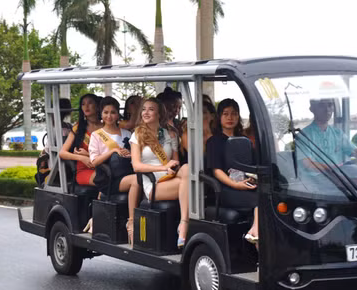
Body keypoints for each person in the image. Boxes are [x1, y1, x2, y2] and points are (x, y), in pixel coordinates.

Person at [127, 97, 190, 248]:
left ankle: (183, 223)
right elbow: (136, 166)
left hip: (170, 177)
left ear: (159, 114)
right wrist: (163, 167)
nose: (146, 112)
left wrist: (171, 167)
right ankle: (184, 225)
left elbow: (175, 162)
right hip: (153, 184)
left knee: (187, 169)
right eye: (144, 109)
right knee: (190, 185)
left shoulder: (169, 134)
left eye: (151, 109)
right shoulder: (137, 134)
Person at [204, 99, 261, 245]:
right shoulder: (214, 142)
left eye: (234, 114)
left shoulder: (245, 140)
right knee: (260, 199)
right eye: (226, 114)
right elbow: (216, 171)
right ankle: (255, 231)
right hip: (226, 189)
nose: (230, 118)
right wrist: (235, 185)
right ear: (219, 117)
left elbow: (252, 166)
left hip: (245, 184)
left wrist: (252, 179)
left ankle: (256, 232)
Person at [83, 97, 139, 233]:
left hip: (126, 172)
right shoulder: (96, 135)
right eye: (106, 112)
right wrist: (112, 151)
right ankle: (131, 222)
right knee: (136, 181)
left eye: (113, 112)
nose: (109, 116)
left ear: (118, 114)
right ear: (101, 114)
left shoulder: (127, 133)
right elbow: (94, 161)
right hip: (109, 178)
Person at [296, 99, 357, 170]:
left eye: (330, 105)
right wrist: (335, 170)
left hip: (340, 175)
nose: (327, 110)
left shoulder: (338, 133)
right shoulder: (303, 136)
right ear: (312, 109)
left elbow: (355, 151)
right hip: (318, 177)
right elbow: (308, 164)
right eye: (322, 105)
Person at [59, 94, 101, 186]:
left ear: (98, 106)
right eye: (83, 104)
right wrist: (82, 158)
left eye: (90, 103)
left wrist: (88, 154)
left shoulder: (105, 127)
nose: (86, 106)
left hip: (103, 166)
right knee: (105, 178)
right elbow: (62, 153)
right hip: (84, 170)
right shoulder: (78, 128)